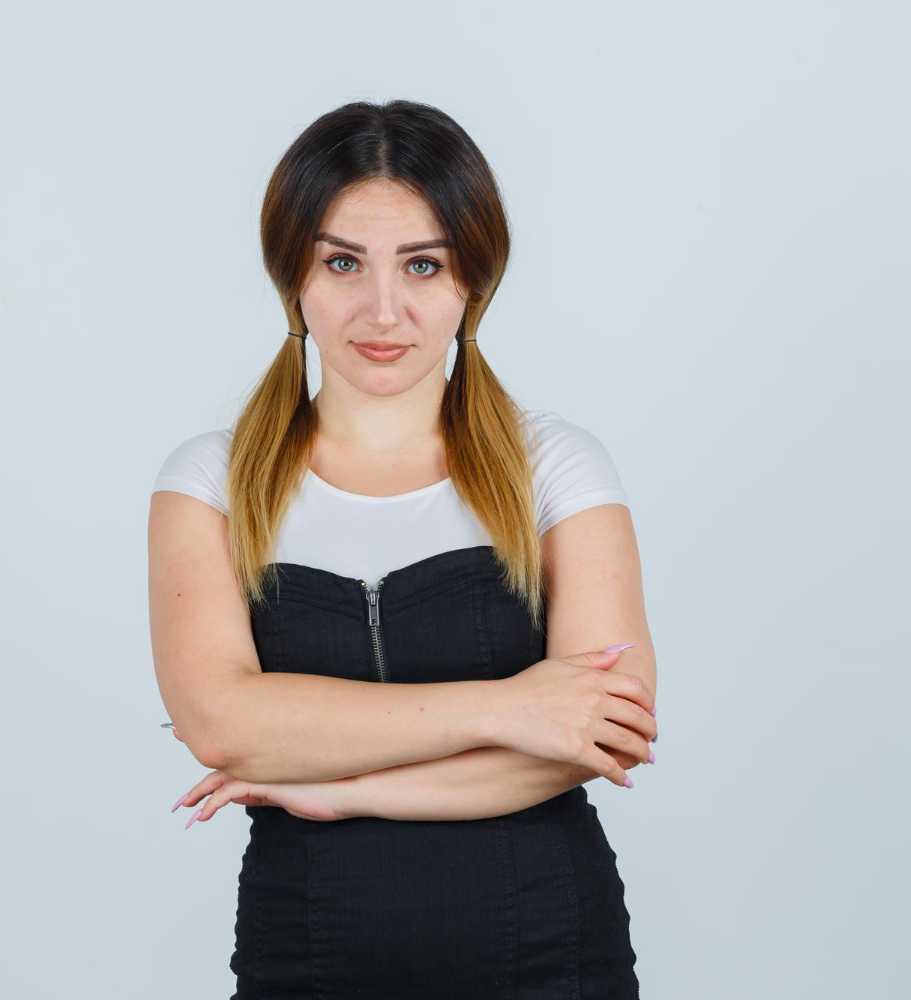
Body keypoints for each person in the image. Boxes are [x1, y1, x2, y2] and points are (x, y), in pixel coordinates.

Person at [147, 100, 657, 998]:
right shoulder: (208, 483)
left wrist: (344, 789)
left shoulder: (558, 467)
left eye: (424, 264)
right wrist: (512, 706)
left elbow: (599, 734)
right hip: (303, 962)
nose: (382, 311)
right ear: (293, 277)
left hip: (552, 956)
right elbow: (223, 726)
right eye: (343, 262)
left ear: (472, 282)